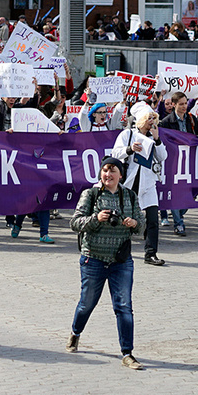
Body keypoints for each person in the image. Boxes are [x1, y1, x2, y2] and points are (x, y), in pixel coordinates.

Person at [67, 156, 145, 368]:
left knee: (124, 306)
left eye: (112, 171)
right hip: (94, 259)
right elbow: (74, 223)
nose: (108, 175)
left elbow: (142, 227)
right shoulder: (90, 195)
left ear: (121, 175)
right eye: (105, 171)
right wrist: (96, 218)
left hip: (121, 261)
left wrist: (134, 222)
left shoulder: (129, 196)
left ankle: (127, 353)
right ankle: (76, 332)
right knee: (87, 304)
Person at [111, 106, 167, 266]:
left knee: (152, 220)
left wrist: (157, 140)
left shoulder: (153, 137)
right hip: (129, 183)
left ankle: (151, 253)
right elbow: (115, 153)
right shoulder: (127, 134)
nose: (152, 122)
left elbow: (163, 156)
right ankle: (118, 250)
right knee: (124, 220)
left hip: (148, 184)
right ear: (141, 119)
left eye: (153, 118)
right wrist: (129, 149)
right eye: (149, 118)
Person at [159, 91, 198, 236]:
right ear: (173, 105)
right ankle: (179, 224)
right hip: (174, 163)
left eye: (186, 103)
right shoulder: (166, 122)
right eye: (181, 104)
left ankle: (179, 212)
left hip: (191, 161)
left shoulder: (191, 119)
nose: (184, 106)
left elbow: (197, 134)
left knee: (195, 190)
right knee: (176, 193)